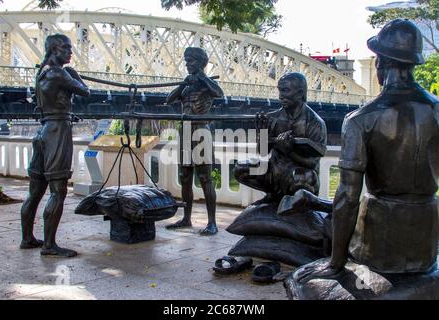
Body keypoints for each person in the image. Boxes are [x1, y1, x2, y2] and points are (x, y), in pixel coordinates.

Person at [294, 19, 439, 283]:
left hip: (378, 245)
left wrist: (336, 264)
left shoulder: (360, 119)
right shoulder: (437, 110)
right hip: (425, 243)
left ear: (379, 63)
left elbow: (348, 197)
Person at [20, 34, 90, 257]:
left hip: (43, 131)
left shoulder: (42, 72)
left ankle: (28, 238)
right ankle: (49, 245)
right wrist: (74, 73)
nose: (70, 52)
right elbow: (85, 91)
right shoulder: (59, 72)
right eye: (66, 48)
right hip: (58, 131)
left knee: (35, 192)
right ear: (53, 49)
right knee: (57, 191)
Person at [234, 72, 327, 202]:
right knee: (240, 168)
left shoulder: (315, 122)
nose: (281, 96)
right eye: (280, 91)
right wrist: (262, 134)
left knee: (304, 177)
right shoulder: (274, 117)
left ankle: (296, 202)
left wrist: (288, 152)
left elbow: (312, 163)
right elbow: (262, 152)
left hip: (297, 177)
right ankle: (272, 195)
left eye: (285, 90)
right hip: (274, 172)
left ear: (300, 93)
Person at [165, 47, 224, 235]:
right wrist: (184, 84)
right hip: (185, 131)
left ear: (200, 63)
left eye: (191, 61)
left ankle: (212, 222)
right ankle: (186, 218)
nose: (187, 64)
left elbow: (219, 93)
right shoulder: (187, 86)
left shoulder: (206, 84)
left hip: (201, 130)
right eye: (186, 61)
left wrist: (201, 78)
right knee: (185, 177)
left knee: (205, 178)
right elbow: (169, 99)